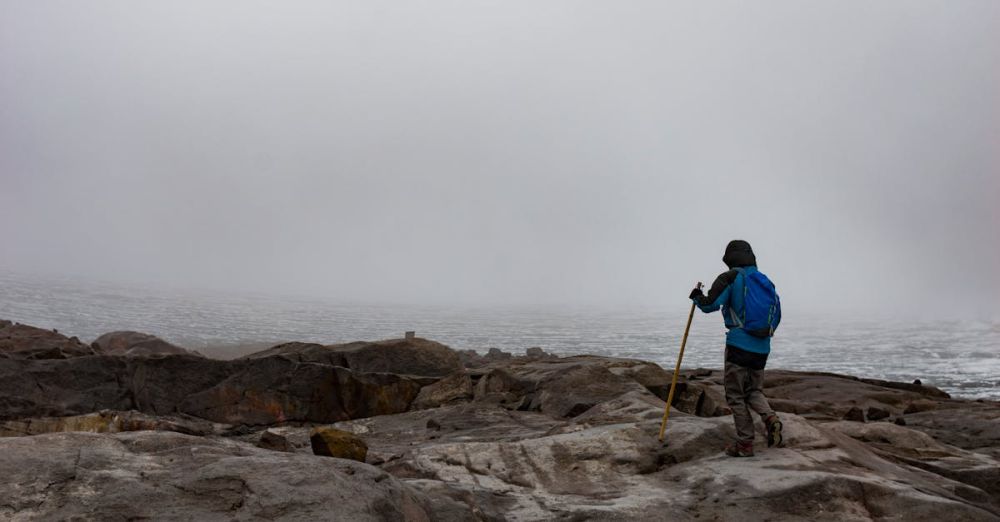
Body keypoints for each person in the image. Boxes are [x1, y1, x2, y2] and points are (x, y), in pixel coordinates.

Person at [689, 239, 782, 457]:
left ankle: (745, 444)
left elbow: (710, 304)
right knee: (754, 390)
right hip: (762, 347)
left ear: (729, 258)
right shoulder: (763, 280)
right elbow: (776, 314)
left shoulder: (730, 277)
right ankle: (770, 418)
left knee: (736, 396)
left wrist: (696, 297)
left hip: (738, 345)